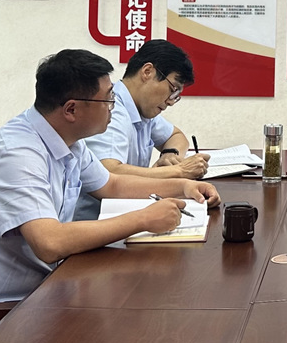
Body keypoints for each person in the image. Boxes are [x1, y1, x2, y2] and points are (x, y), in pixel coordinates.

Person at [0, 49, 222, 303]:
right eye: (108, 99)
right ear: (71, 109)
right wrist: (143, 219)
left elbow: (112, 184)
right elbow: (50, 243)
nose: (114, 106)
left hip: (41, 289)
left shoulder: (67, 139)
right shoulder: (17, 154)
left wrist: (183, 186)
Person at [73, 39, 210, 221]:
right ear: (147, 72)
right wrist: (179, 171)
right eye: (173, 89)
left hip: (128, 213)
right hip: (96, 222)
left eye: (176, 95)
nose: (171, 101)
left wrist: (169, 154)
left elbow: (176, 136)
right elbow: (109, 173)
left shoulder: (143, 109)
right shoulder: (112, 111)